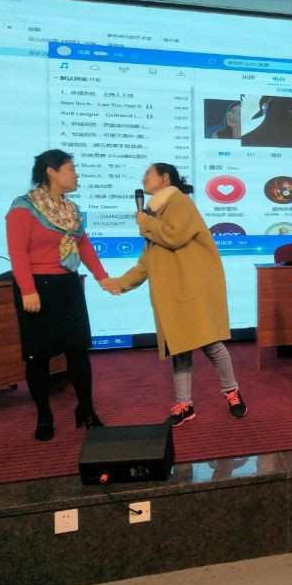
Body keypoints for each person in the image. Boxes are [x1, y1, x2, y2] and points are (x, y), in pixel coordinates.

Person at [113, 163, 247, 426]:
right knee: (180, 348)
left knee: (211, 344)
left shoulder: (180, 202)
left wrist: (146, 222)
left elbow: (175, 236)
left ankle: (231, 391)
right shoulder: (155, 212)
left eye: (148, 174)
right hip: (172, 293)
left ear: (165, 179)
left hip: (193, 288)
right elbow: (147, 260)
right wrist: (121, 283)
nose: (143, 178)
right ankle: (184, 404)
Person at [5, 149, 120, 441]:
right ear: (51, 171)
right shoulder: (24, 207)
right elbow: (17, 253)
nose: (76, 174)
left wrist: (103, 277)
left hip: (68, 284)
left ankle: (86, 411)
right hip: (36, 288)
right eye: (71, 168)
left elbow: (84, 246)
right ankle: (44, 416)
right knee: (38, 357)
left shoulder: (71, 210)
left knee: (78, 351)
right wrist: (28, 290)